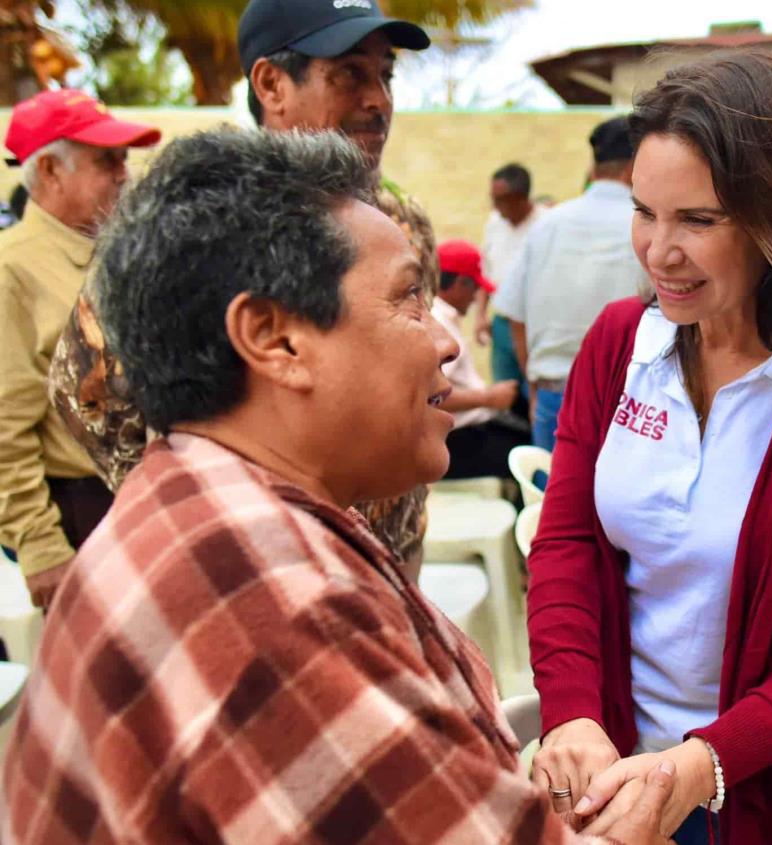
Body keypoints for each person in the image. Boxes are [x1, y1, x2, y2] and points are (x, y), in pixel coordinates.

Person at [0, 128, 675, 845]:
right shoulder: (271, 603)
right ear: (275, 339)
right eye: (408, 298)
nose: (446, 341)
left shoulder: (200, 500)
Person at [526, 53, 772, 845]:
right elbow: (566, 539)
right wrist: (571, 708)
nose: (657, 250)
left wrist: (700, 764)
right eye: (644, 211)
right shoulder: (617, 345)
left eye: (698, 221)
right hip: (620, 772)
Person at [47, 0, 438, 602]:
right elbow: (87, 394)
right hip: (256, 583)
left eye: (385, 75)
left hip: (387, 571)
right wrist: (221, 517)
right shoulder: (195, 228)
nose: (378, 100)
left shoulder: (403, 223)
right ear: (272, 84)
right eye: (349, 74)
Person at [0, 89, 159, 606]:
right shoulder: (13, 269)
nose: (123, 173)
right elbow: (5, 422)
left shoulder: (118, 253)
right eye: (104, 160)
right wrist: (41, 545)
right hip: (80, 511)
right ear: (49, 170)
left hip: (140, 497)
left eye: (122, 159)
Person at [494, 117, 648, 451]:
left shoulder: (548, 225)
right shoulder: (647, 226)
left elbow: (514, 315)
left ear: (594, 167)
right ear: (635, 165)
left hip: (554, 394)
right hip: (631, 401)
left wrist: (533, 384)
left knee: (549, 501)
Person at [433, 239, 531, 480]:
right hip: (458, 438)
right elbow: (429, 395)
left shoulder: (444, 317)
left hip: (469, 426)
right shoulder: (438, 324)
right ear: (457, 284)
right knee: (529, 452)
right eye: (473, 287)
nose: (476, 296)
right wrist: (488, 398)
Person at [481, 163, 547, 419]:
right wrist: (481, 316)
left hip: (534, 324)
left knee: (535, 393)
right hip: (502, 322)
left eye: (501, 200)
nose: (495, 207)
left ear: (521, 197)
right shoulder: (494, 222)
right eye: (493, 199)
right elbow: (486, 269)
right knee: (504, 391)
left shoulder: (546, 223)